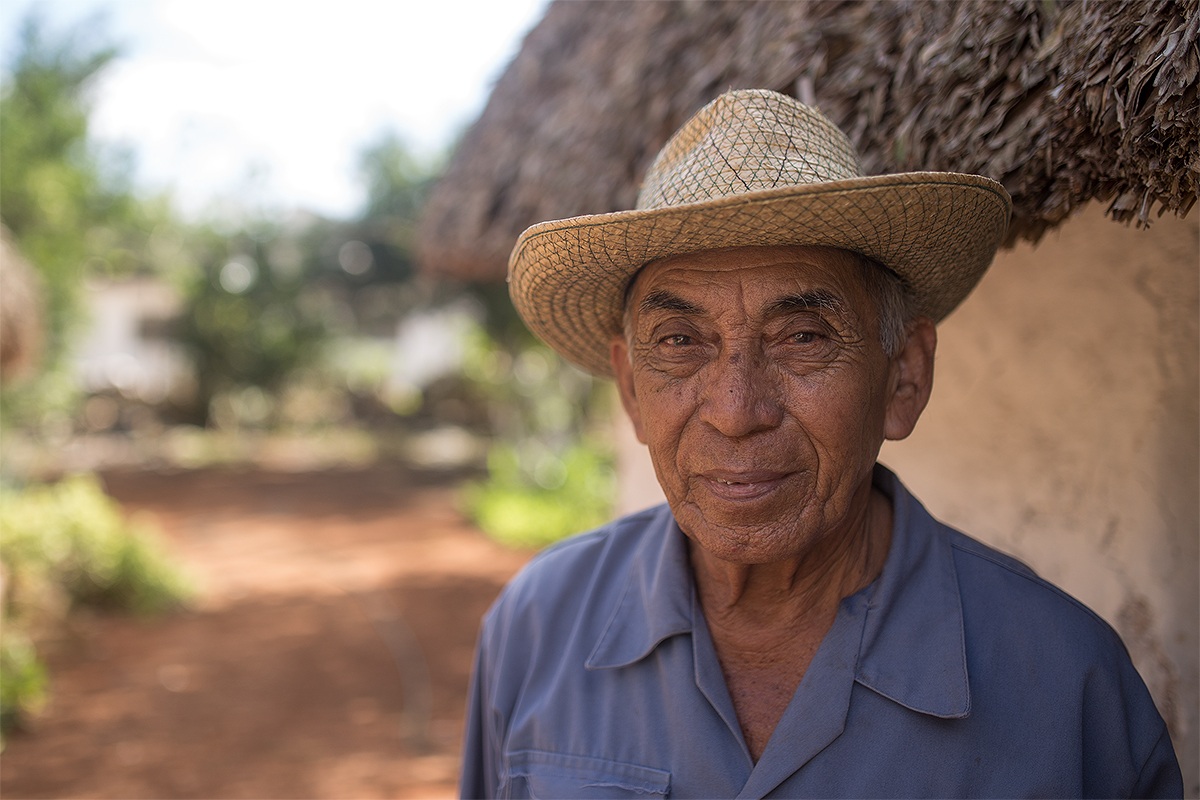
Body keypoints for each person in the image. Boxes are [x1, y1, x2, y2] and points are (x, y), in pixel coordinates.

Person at [460, 89, 1182, 798]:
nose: (738, 412)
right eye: (680, 342)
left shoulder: (1065, 683)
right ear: (629, 390)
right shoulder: (537, 628)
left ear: (904, 375)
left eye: (802, 338)